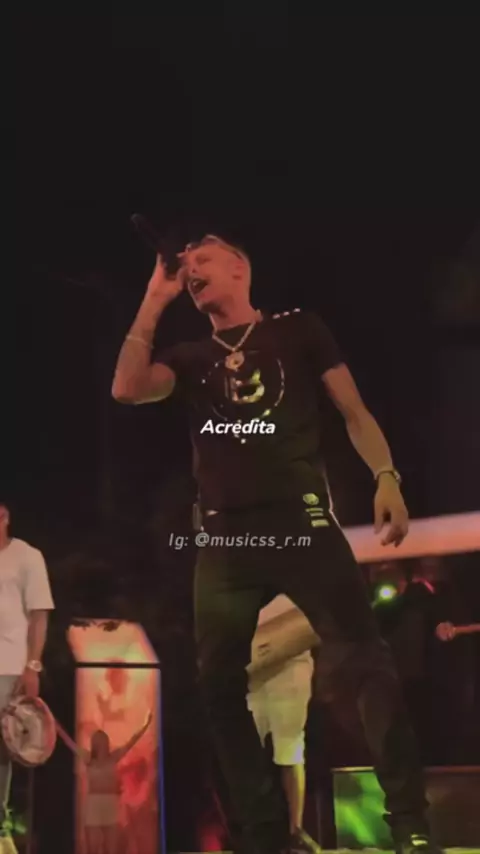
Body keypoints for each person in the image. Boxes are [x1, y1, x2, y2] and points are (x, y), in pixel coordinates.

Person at [111, 234, 440, 854]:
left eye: (203, 259)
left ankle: (410, 822)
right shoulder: (189, 357)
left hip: (301, 522)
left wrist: (386, 475)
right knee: (217, 684)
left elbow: (353, 411)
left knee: (365, 662)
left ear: (239, 268)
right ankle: (265, 833)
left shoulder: (298, 330)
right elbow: (127, 388)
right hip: (225, 537)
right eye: (186, 266)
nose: (191, 270)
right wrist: (154, 299)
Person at [247, 596, 320, 853]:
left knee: (290, 748)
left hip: (291, 659)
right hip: (249, 664)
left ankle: (294, 831)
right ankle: (253, 829)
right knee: (246, 751)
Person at [0, 503, 54, 839]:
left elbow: (39, 615)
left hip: (8, 665)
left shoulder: (27, 557)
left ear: (4, 518)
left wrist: (33, 665)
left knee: (2, 749)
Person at [55, 713, 152, 854]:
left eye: (104, 738)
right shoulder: (88, 757)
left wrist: (145, 725)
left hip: (109, 803)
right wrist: (57, 727)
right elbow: (69, 742)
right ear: (95, 743)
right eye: (99, 739)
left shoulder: (113, 757)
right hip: (94, 804)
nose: (102, 741)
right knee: (92, 848)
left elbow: (132, 741)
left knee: (111, 848)